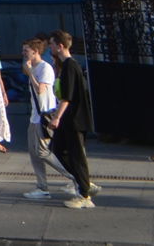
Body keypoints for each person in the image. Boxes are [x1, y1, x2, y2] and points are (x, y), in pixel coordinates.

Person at [18, 37, 76, 200]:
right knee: (34, 153)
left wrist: (30, 72)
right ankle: (42, 187)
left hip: (44, 116)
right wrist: (29, 70)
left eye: (26, 50)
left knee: (43, 152)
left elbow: (41, 90)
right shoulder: (32, 67)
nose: (23, 53)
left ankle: (76, 177)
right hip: (34, 117)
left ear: (35, 51)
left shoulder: (45, 68)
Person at [47, 30, 96, 209]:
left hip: (74, 119)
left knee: (76, 156)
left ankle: (84, 194)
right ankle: (84, 183)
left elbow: (67, 97)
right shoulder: (66, 65)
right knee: (57, 150)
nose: (50, 47)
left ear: (60, 46)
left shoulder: (70, 66)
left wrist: (56, 117)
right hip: (68, 119)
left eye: (52, 44)